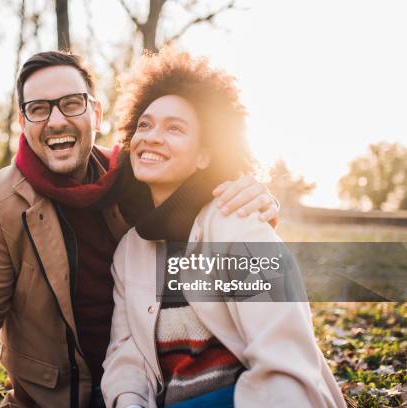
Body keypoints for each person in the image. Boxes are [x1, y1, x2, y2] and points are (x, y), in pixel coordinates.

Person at [0, 50, 280, 408]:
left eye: (71, 103)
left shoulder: (133, 175)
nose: (55, 121)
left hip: (152, 379)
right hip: (60, 397)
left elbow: (204, 191)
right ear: (23, 121)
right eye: (38, 108)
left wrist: (261, 200)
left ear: (96, 114)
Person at [101, 49, 346, 408]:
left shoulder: (241, 222)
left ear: (204, 155)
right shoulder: (130, 250)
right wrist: (128, 401)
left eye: (175, 128)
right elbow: (127, 354)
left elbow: (284, 357)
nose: (151, 136)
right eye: (144, 124)